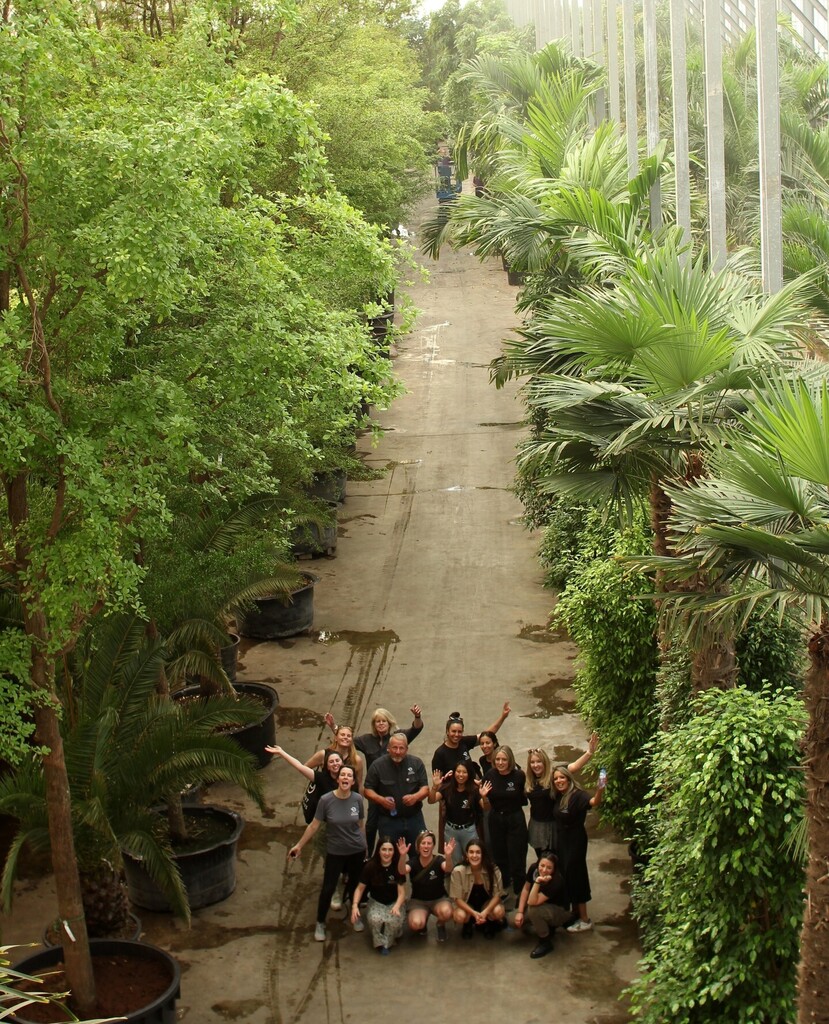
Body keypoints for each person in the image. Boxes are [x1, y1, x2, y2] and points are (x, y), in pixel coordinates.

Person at [327, 706, 424, 853]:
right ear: (374, 724)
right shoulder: (366, 740)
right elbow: (347, 740)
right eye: (377, 721)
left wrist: (417, 717)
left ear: (389, 722)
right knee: (371, 826)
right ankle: (367, 855)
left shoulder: (397, 738)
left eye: (384, 721)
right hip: (375, 789)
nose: (381, 724)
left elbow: (415, 729)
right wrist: (334, 727)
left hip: (395, 786)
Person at [287, 765, 366, 943]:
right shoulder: (326, 800)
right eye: (342, 775)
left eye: (349, 776)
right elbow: (314, 825)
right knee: (328, 887)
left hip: (356, 850)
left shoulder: (357, 800)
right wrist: (299, 846)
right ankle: (320, 922)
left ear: (353, 781)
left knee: (355, 885)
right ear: (338, 779)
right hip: (335, 851)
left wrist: (365, 847)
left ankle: (356, 915)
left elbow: (360, 826)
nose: (345, 778)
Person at [552, 764, 606, 932]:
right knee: (567, 874)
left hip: (575, 840)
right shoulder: (559, 796)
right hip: (563, 840)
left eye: (562, 777)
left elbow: (594, 802)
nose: (559, 781)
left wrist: (600, 789)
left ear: (569, 779)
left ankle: (584, 919)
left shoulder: (577, 795)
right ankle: (574, 912)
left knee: (576, 875)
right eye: (556, 779)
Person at [526, 734, 599, 857]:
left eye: (539, 761)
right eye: (532, 762)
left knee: (557, 859)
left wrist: (589, 752)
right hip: (537, 825)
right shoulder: (528, 781)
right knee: (542, 860)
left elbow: (574, 766)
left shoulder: (553, 776)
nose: (536, 765)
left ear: (545, 763)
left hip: (553, 825)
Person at [363, 732, 429, 849]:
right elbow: (367, 790)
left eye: (401, 748)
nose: (398, 751)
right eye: (394, 747)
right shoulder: (377, 766)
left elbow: (425, 788)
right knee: (390, 857)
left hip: (414, 819)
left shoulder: (416, 763)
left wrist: (415, 797)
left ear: (407, 749)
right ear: (388, 748)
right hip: (389, 821)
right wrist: (381, 800)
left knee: (420, 852)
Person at [480, 745, 528, 900]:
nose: (500, 762)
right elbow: (486, 806)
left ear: (510, 760)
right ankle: (504, 887)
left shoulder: (519, 776)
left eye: (504, 759)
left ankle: (521, 891)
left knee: (517, 855)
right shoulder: (490, 775)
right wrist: (484, 797)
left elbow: (523, 799)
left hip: (515, 819)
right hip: (496, 818)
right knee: (500, 856)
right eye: (498, 759)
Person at [350, 837, 407, 955]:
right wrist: (355, 905)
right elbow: (360, 889)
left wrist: (397, 906)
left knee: (393, 922)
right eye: (384, 849)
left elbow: (402, 893)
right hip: (377, 902)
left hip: (394, 902)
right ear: (378, 851)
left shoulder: (398, 867)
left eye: (390, 850)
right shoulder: (370, 866)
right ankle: (381, 944)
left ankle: (394, 933)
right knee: (375, 920)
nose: (387, 853)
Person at [512, 852, 571, 959]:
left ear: (553, 869)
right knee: (511, 921)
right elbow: (525, 889)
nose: (544, 870)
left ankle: (545, 941)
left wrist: (537, 882)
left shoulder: (556, 880)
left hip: (559, 911)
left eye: (549, 867)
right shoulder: (533, 869)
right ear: (538, 864)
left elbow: (532, 902)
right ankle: (543, 925)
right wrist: (520, 912)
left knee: (533, 910)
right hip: (542, 906)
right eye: (542, 866)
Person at [399, 830, 455, 941]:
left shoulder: (439, 860)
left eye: (429, 843)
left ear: (433, 846)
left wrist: (448, 856)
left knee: (447, 912)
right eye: (423, 843)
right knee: (415, 923)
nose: (426, 846)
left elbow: (448, 868)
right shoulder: (413, 862)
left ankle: (440, 924)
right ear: (418, 846)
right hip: (418, 901)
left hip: (439, 899)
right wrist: (402, 856)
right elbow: (401, 871)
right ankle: (422, 924)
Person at [431, 703, 511, 780]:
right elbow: (437, 783)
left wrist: (503, 717)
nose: (456, 734)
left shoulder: (463, 741)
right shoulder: (440, 754)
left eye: (459, 732)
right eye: (453, 731)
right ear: (447, 731)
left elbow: (487, 735)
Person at [449, 840, 506, 939]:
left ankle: (489, 923)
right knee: (459, 916)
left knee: (498, 911)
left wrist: (485, 912)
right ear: (466, 854)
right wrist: (473, 913)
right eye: (471, 852)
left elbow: (498, 895)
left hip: (487, 904)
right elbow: (457, 899)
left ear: (483, 854)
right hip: (467, 905)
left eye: (478, 852)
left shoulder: (493, 869)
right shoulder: (458, 871)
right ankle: (468, 924)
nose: (474, 855)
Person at [428, 762, 481, 865]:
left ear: (469, 774)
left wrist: (484, 796)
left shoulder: (474, 790)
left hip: (469, 831)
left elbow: (485, 806)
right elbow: (431, 800)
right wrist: (435, 787)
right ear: (454, 773)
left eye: (464, 772)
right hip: (451, 831)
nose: (460, 775)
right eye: (458, 771)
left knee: (473, 861)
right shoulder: (447, 788)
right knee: (454, 864)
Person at [305, 724, 365, 791]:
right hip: (324, 794)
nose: (345, 737)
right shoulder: (323, 754)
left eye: (349, 736)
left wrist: (359, 800)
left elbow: (359, 784)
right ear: (336, 738)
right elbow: (304, 768)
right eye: (342, 735)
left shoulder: (356, 759)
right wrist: (317, 778)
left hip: (345, 796)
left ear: (351, 740)